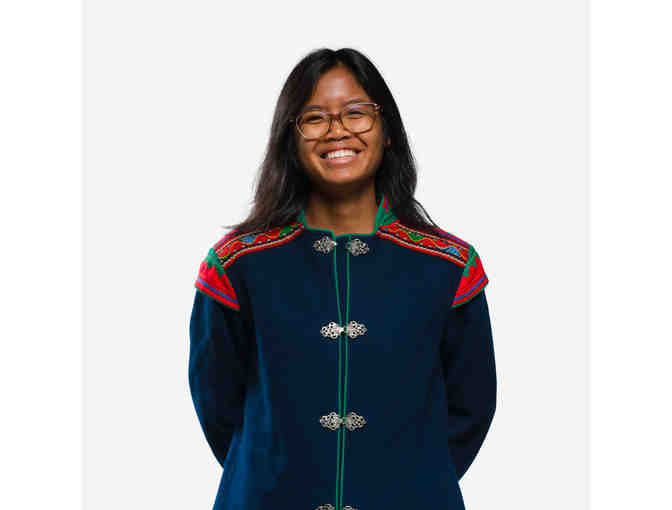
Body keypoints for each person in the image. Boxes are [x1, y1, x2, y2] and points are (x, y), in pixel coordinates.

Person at [188, 47, 497, 510]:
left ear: (386, 130)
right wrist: (273, 473)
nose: (337, 130)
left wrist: (411, 479)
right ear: (290, 139)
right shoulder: (236, 265)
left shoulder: (449, 266)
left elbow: (472, 406)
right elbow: (217, 406)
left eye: (356, 112)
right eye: (314, 118)